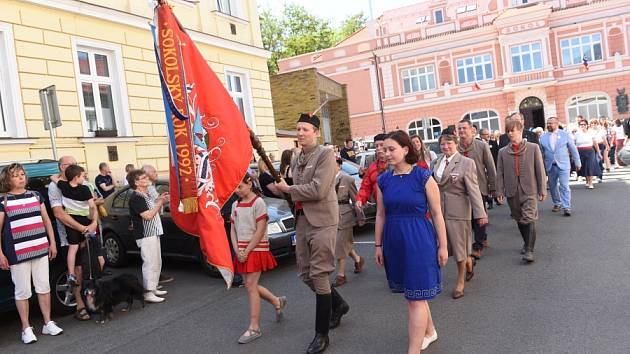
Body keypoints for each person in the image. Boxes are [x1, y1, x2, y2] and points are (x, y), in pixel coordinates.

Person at [275, 113, 349, 354]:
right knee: (306, 274)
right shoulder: (297, 157)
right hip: (303, 221)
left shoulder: (326, 154)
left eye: (305, 129)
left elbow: (318, 189)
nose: (300, 133)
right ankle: (338, 304)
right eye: (298, 129)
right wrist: (282, 186)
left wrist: (290, 188)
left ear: (316, 132)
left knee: (319, 273)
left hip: (323, 221)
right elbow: (295, 189)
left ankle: (321, 335)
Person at [374, 130, 448, 353]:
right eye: (384, 149)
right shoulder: (383, 180)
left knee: (415, 298)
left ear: (406, 150)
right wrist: (378, 245)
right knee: (415, 294)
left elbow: (436, 214)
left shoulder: (423, 176)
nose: (386, 153)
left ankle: (413, 351)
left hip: (420, 241)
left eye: (391, 149)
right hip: (394, 242)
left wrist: (443, 246)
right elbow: (380, 214)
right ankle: (430, 331)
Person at [0, 163, 63, 344]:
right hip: (18, 254)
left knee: (44, 287)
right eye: (15, 175)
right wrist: (1, 254)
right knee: (23, 292)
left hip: (40, 248)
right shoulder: (3, 201)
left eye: (22, 174)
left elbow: (47, 221)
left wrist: (52, 243)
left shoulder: (36, 196)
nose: (21, 177)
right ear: (7, 179)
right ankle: (26, 328)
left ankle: (47, 323)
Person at [230, 173, 286, 344]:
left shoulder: (258, 202)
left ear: (249, 184)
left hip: (256, 248)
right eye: (235, 187)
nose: (237, 191)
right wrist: (237, 250)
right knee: (250, 285)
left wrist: (246, 250)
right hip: (242, 250)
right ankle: (277, 301)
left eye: (240, 186)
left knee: (250, 286)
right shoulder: (235, 204)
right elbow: (232, 229)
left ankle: (254, 327)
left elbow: (260, 230)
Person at [432, 133, 487, 299]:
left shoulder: (466, 163)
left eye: (449, 143)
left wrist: (480, 213)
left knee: (459, 248)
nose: (446, 147)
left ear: (455, 144)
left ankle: (460, 281)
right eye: (442, 144)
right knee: (443, 246)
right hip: (438, 212)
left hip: (459, 212)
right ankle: (469, 261)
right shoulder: (435, 162)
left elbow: (474, 189)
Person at [48, 156, 93, 321]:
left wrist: (93, 222)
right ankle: (80, 305)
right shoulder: (56, 187)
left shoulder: (81, 182)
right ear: (62, 168)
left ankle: (93, 299)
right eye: (71, 165)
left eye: (76, 164)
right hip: (69, 233)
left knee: (95, 266)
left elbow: (92, 203)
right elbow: (59, 213)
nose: (75, 167)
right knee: (77, 270)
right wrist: (81, 227)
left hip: (88, 230)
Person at [496, 119, 546, 263]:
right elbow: (499, 173)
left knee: (529, 217)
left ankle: (529, 251)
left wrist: (542, 188)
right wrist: (499, 191)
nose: (510, 133)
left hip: (529, 189)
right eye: (508, 131)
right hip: (512, 191)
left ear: (520, 131)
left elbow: (540, 170)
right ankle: (526, 242)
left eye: (513, 130)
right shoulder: (502, 152)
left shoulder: (533, 148)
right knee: (519, 218)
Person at [127, 169, 170, 303]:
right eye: (143, 177)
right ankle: (148, 292)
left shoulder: (145, 195)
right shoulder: (136, 197)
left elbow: (153, 209)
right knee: (149, 263)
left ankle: (153, 286)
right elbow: (148, 215)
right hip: (146, 234)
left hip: (153, 232)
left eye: (146, 177)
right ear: (136, 182)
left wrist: (160, 199)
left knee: (156, 261)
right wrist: (160, 203)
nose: (147, 179)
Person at [51, 165, 97, 288]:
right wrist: (91, 217)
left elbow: (53, 177)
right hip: (84, 221)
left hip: (71, 222)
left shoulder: (63, 186)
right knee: (87, 244)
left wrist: (63, 176)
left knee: (73, 248)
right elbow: (92, 206)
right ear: (77, 177)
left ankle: (71, 274)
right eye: (82, 176)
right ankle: (91, 272)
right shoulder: (85, 188)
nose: (84, 178)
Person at [457, 119, 496, 259]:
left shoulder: (481, 146)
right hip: (461, 189)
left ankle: (478, 245)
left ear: (472, 130)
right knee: (468, 217)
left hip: (479, 186)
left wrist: (494, 188)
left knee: (479, 215)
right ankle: (482, 237)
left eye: (464, 128)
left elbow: (490, 167)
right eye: (459, 129)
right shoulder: (455, 148)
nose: (462, 131)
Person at [539, 117, 581, 216]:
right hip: (550, 166)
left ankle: (566, 207)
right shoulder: (543, 137)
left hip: (563, 165)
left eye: (551, 123)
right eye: (547, 123)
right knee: (552, 186)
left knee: (564, 186)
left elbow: (573, 149)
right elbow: (541, 153)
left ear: (557, 124)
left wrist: (577, 162)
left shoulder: (565, 135)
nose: (548, 125)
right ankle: (557, 203)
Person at [332, 157, 364, 287]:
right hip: (330, 216)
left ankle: (341, 275)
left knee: (340, 244)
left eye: (332, 164)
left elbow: (356, 199)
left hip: (345, 215)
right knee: (343, 243)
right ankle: (357, 259)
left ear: (339, 166)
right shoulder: (325, 180)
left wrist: (359, 214)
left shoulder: (347, 179)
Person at [142, 165, 175, 285]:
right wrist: (165, 199)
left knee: (156, 258)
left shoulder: (152, 187)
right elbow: (153, 207)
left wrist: (162, 199)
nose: (156, 173)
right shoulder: (145, 191)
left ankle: (154, 284)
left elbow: (157, 202)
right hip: (148, 228)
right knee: (150, 260)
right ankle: (150, 288)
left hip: (154, 226)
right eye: (153, 171)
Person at [355, 133, 388, 209]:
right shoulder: (372, 167)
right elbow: (365, 187)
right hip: (380, 208)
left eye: (381, 145)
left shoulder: (396, 163)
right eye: (376, 146)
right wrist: (360, 199)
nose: (379, 148)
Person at [574, 118, 602, 189]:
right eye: (581, 124)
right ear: (579, 125)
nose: (582, 126)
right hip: (580, 151)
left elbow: (595, 143)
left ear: (587, 125)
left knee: (590, 166)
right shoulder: (577, 134)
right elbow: (573, 144)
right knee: (583, 166)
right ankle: (587, 180)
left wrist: (598, 152)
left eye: (584, 124)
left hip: (590, 150)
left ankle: (590, 183)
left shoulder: (590, 132)